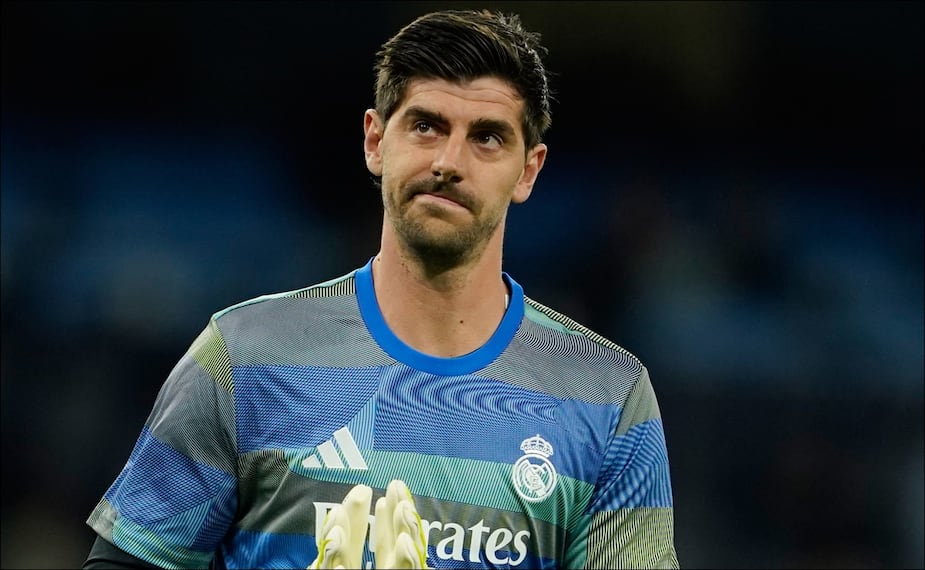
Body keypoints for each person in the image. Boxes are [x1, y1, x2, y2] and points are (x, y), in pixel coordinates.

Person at [84, 9, 679, 569]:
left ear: (528, 170)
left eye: (488, 137)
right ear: (375, 140)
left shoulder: (608, 395)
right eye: (426, 125)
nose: (450, 160)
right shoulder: (241, 359)